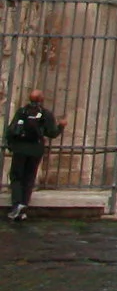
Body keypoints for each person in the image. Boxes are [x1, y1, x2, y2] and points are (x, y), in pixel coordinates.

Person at [6, 89, 63, 222]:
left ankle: (16, 205)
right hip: (36, 149)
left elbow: (11, 130)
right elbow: (52, 133)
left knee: (16, 177)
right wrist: (61, 126)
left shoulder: (22, 112)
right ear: (41, 100)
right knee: (29, 177)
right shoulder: (45, 114)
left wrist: (10, 146)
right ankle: (23, 205)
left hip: (20, 149)